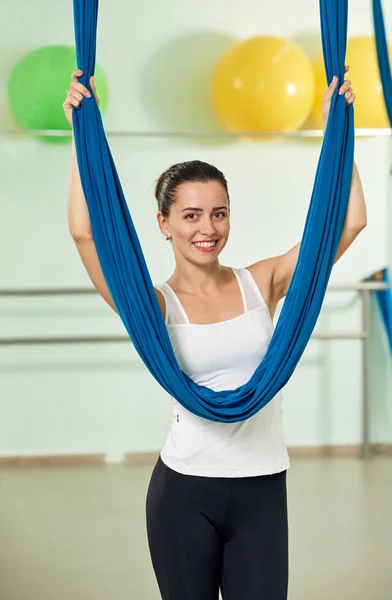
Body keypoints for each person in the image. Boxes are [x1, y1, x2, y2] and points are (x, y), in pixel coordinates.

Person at [63, 67, 366, 600]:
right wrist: (79, 136)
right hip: (184, 490)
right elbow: (87, 234)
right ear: (164, 223)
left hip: (263, 487)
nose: (208, 229)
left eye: (219, 214)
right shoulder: (151, 305)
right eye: (192, 215)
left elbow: (346, 224)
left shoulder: (263, 281)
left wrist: (340, 133)